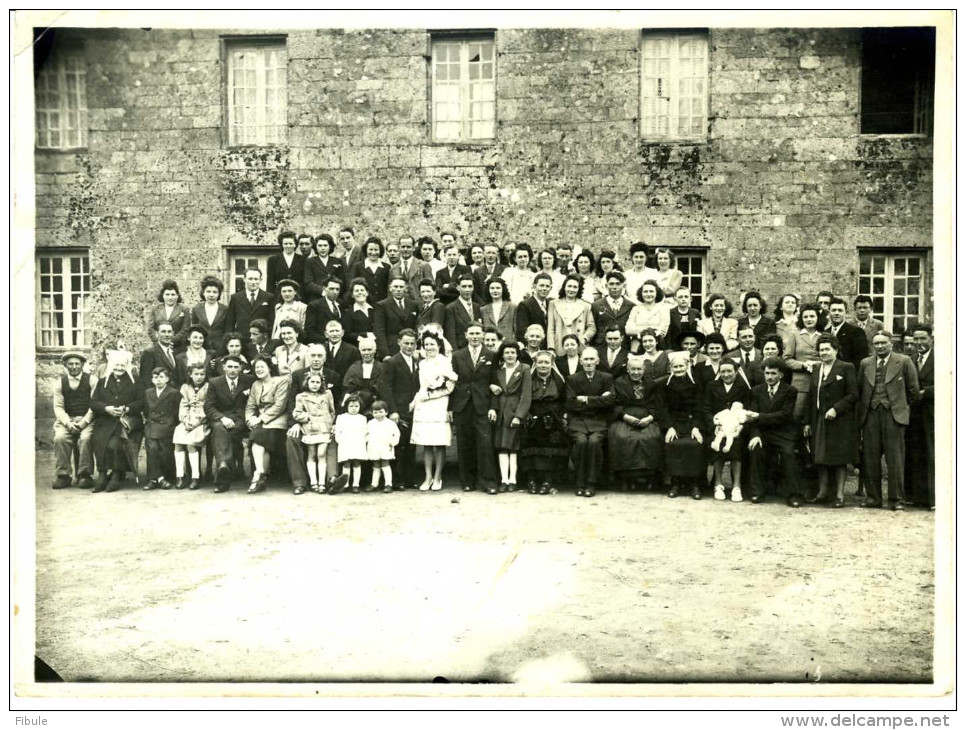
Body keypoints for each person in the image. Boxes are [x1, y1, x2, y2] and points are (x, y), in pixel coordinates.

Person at [856, 331, 919, 510]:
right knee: (870, 458)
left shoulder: (904, 361)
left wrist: (900, 409)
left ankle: (896, 500)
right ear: (873, 346)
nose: (880, 346)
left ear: (891, 344)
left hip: (893, 415)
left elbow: (913, 391)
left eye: (884, 343)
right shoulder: (865, 363)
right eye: (876, 343)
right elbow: (860, 389)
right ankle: (873, 498)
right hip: (870, 415)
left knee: (895, 459)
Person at [804, 334, 859, 508]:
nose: (824, 352)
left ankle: (839, 496)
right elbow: (811, 397)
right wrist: (806, 422)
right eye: (821, 350)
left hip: (839, 420)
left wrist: (836, 408)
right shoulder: (816, 369)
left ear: (836, 350)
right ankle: (822, 492)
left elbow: (853, 394)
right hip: (819, 418)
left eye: (827, 349)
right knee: (820, 456)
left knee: (839, 458)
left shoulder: (846, 367)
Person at [285, 344, 344, 495]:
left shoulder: (334, 376)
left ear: (324, 359)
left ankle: (332, 479)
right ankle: (300, 482)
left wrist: (336, 423)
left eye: (319, 356)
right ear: (307, 357)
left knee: (332, 437)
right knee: (292, 438)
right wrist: (296, 423)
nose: (316, 359)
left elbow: (337, 403)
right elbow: (292, 401)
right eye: (313, 356)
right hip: (304, 423)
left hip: (325, 423)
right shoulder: (298, 375)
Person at [745, 357, 803, 506]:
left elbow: (784, 415)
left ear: (781, 375)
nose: (769, 377)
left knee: (788, 454)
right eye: (767, 373)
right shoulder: (756, 391)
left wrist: (759, 416)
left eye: (773, 373)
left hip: (784, 432)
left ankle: (793, 494)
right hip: (763, 432)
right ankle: (757, 492)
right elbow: (752, 417)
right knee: (755, 448)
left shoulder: (790, 391)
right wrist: (756, 435)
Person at [449, 322, 499, 493]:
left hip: (483, 405)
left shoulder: (491, 355)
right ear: (466, 335)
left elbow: (495, 383)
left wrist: (493, 407)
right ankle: (467, 481)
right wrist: (450, 408)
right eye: (472, 333)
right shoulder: (457, 356)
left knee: (485, 443)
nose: (475, 336)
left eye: (478, 333)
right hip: (462, 405)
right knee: (464, 443)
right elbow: (453, 383)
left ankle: (488, 482)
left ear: (483, 335)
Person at [609, 354, 667, 492]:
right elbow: (614, 403)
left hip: (646, 416)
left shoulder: (651, 383)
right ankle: (625, 478)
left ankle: (650, 478)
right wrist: (624, 416)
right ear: (628, 369)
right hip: (624, 416)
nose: (636, 372)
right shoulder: (619, 382)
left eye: (639, 369)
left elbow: (657, 404)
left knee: (651, 437)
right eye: (633, 369)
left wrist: (650, 418)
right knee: (621, 437)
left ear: (644, 369)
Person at [90, 349, 144, 493]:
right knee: (99, 440)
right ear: (111, 366)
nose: (119, 368)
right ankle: (102, 474)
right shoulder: (103, 382)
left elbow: (142, 402)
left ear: (126, 366)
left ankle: (115, 474)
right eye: (116, 365)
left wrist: (127, 408)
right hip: (106, 421)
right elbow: (94, 403)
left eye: (122, 366)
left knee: (115, 444)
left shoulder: (135, 382)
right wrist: (106, 408)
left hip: (127, 421)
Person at [565, 347, 615, 498]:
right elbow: (571, 403)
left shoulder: (606, 378)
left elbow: (611, 401)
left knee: (594, 442)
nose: (588, 362)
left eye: (591, 359)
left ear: (597, 361)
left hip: (599, 421)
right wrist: (599, 399)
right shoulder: (573, 379)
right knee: (580, 442)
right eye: (585, 359)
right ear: (580, 361)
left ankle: (591, 483)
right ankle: (580, 483)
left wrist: (586, 399)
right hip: (578, 421)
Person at [411, 331, 457, 491]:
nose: (429, 347)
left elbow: (450, 387)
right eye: (426, 344)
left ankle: (438, 477)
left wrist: (430, 395)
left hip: (438, 404)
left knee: (439, 443)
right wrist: (416, 400)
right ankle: (428, 477)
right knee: (427, 444)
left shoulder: (445, 362)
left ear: (439, 346)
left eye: (432, 344)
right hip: (423, 406)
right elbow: (421, 386)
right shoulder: (421, 363)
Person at [520, 350, 569, 494]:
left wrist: (561, 417)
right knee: (530, 448)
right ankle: (531, 480)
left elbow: (563, 401)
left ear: (551, 364)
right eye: (540, 362)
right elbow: (523, 398)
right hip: (532, 416)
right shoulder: (529, 379)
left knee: (550, 449)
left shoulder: (559, 381)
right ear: (535, 363)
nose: (543, 365)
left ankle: (548, 480)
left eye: (546, 362)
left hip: (552, 418)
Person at [661, 351, 707, 500]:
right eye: (676, 367)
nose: (679, 369)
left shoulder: (696, 384)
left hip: (691, 422)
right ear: (671, 368)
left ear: (687, 366)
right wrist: (669, 427)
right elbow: (663, 408)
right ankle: (675, 483)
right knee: (673, 443)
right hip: (674, 423)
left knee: (695, 444)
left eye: (681, 366)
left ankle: (694, 484)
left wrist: (696, 427)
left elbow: (700, 407)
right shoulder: (665, 385)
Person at [204, 355, 254, 492]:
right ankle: (224, 466)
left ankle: (223, 470)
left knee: (221, 432)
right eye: (230, 366)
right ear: (224, 367)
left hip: (241, 419)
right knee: (219, 427)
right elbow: (209, 406)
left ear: (241, 368)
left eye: (236, 367)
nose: (232, 370)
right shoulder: (214, 382)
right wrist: (222, 418)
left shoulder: (248, 380)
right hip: (222, 418)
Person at [487, 341, 532, 492]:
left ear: (517, 354)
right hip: (501, 413)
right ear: (502, 355)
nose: (510, 355)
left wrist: (519, 416)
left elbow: (526, 395)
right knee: (501, 447)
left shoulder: (524, 369)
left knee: (513, 448)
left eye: (513, 352)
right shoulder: (499, 370)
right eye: (507, 353)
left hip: (514, 413)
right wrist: (493, 408)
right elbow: (495, 392)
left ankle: (513, 479)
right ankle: (503, 480)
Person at [704, 357, 751, 502]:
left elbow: (748, 411)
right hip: (717, 428)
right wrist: (715, 426)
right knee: (717, 444)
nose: (726, 374)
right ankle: (718, 484)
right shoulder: (712, 386)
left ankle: (736, 486)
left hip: (737, 429)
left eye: (729, 371)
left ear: (736, 371)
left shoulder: (744, 388)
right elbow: (706, 409)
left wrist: (740, 428)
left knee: (736, 444)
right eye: (722, 371)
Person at [245, 355, 291, 493]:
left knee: (260, 435)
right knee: (260, 437)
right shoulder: (255, 384)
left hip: (278, 418)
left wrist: (260, 419)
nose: (259, 369)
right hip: (260, 419)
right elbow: (250, 406)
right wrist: (249, 419)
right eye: (257, 367)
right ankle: (260, 475)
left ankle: (258, 474)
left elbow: (279, 405)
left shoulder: (281, 381)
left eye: (262, 366)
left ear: (270, 368)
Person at [382, 329, 420, 490]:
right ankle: (398, 480)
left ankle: (410, 479)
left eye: (412, 344)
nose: (409, 346)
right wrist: (393, 411)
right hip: (398, 409)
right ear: (399, 343)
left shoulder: (418, 361)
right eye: (406, 343)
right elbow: (385, 388)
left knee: (411, 445)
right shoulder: (391, 362)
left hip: (414, 409)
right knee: (399, 445)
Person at [51, 351, 95, 489]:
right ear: (65, 365)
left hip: (87, 419)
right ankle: (63, 475)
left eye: (77, 363)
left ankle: (85, 475)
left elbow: (94, 405)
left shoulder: (92, 380)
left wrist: (83, 422)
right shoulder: (59, 383)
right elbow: (58, 407)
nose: (74, 367)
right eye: (70, 364)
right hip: (67, 420)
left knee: (86, 438)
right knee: (60, 438)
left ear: (82, 365)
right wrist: (68, 423)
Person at [292, 370, 335, 495]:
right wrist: (307, 417)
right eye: (312, 382)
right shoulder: (301, 397)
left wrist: (330, 423)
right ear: (307, 383)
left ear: (321, 383)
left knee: (321, 453)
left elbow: (332, 411)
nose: (315, 384)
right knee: (312, 454)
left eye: (318, 382)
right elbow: (297, 413)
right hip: (310, 428)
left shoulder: (327, 394)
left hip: (324, 428)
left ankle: (322, 483)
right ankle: (313, 482)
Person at [784, 302, 827, 420]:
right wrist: (803, 365)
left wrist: (816, 364)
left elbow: (832, 359)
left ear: (818, 318)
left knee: (819, 418)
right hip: (800, 384)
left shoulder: (825, 335)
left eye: (812, 316)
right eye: (805, 317)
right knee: (798, 416)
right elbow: (787, 359)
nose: (809, 319)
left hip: (821, 382)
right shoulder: (795, 335)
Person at [140, 366, 181, 490]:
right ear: (152, 380)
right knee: (152, 450)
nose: (158, 380)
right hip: (151, 425)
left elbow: (176, 412)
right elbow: (147, 410)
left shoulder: (173, 392)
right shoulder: (148, 392)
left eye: (161, 377)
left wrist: (171, 424)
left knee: (165, 452)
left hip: (167, 426)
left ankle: (164, 477)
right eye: (155, 377)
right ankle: (156, 479)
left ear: (167, 379)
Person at [172, 362, 210, 490]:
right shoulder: (185, 387)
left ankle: (195, 476)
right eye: (196, 374)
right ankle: (180, 476)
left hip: (202, 422)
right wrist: (185, 420)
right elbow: (183, 406)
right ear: (190, 374)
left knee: (190, 443)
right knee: (178, 441)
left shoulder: (208, 387)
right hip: (187, 421)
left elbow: (209, 408)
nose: (199, 377)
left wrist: (196, 422)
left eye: (202, 374)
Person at [909, 323, 935, 509]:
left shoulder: (942, 358)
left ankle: (934, 498)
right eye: (916, 339)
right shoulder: (910, 359)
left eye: (923, 338)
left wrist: (926, 392)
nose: (919, 342)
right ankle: (917, 496)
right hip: (913, 414)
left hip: (933, 412)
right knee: (915, 452)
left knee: (932, 454)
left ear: (931, 339)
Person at [374, 275, 420, 361]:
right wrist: (385, 354)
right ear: (390, 288)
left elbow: (416, 327)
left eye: (401, 287)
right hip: (391, 350)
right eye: (395, 287)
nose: (398, 289)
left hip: (410, 349)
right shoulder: (382, 305)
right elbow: (379, 331)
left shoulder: (413, 305)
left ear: (406, 288)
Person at [547, 275, 595, 353]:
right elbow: (550, 328)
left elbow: (592, 327)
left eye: (575, 287)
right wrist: (551, 347)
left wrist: (584, 338)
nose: (571, 289)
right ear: (564, 287)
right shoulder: (553, 304)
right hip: (559, 344)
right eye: (569, 286)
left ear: (579, 289)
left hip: (579, 344)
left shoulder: (586, 305)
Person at [331, 394, 369, 493]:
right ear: (347, 407)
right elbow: (338, 431)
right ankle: (346, 484)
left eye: (356, 406)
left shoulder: (362, 418)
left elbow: (365, 432)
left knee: (356, 463)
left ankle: (355, 484)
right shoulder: (341, 417)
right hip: (345, 443)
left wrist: (362, 442)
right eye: (351, 406)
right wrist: (341, 442)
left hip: (358, 443)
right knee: (346, 464)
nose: (353, 409)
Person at [225, 268, 275, 340]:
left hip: (261, 338)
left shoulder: (269, 297)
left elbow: (271, 320)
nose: (253, 282)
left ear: (260, 280)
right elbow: (230, 321)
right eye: (250, 279)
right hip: (241, 339)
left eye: (256, 279)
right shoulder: (236, 297)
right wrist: (230, 339)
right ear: (244, 279)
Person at [342, 336, 384, 416]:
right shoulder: (353, 368)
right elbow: (347, 387)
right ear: (360, 351)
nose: (367, 353)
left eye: (369, 349)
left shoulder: (382, 367)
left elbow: (384, 388)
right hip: (357, 406)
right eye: (364, 350)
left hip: (377, 406)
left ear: (375, 350)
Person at [366, 399, 401, 493]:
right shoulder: (370, 423)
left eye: (381, 412)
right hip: (374, 447)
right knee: (376, 465)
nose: (378, 414)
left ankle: (388, 484)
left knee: (385, 464)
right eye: (375, 412)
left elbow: (396, 434)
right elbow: (366, 434)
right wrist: (368, 441)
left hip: (386, 447)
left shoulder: (390, 423)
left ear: (386, 412)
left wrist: (392, 443)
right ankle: (374, 484)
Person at [825, 297, 869, 373]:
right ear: (829, 312)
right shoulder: (825, 332)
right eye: (833, 310)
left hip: (847, 376)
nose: (836, 313)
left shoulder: (856, 332)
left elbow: (861, 359)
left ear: (846, 312)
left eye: (840, 310)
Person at [591, 271, 634, 346]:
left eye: (618, 284)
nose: (614, 287)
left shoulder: (631, 306)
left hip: (624, 347)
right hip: (601, 347)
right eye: (611, 284)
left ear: (623, 286)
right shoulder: (596, 306)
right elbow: (593, 328)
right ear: (606, 286)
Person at [189, 276, 229, 356]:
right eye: (208, 291)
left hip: (221, 348)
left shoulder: (225, 309)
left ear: (219, 294)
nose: (211, 295)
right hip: (202, 348)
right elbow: (195, 329)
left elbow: (227, 330)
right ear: (203, 293)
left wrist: (224, 346)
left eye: (215, 292)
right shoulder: (197, 309)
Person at [145, 279, 190, 350]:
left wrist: (170, 342)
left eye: (173, 294)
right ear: (163, 295)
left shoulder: (184, 309)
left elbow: (185, 329)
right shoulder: (155, 309)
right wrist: (159, 342)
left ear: (177, 296)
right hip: (158, 346)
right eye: (167, 294)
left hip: (177, 346)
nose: (170, 297)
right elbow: (151, 329)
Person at [626, 280, 670, 350]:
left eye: (651, 291)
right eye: (645, 291)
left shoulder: (664, 309)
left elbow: (662, 331)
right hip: (636, 346)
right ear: (641, 293)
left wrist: (638, 329)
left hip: (656, 347)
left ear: (657, 293)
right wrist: (653, 328)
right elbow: (628, 330)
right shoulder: (635, 309)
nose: (648, 294)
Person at [443, 274, 482, 351]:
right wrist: (456, 354)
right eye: (464, 286)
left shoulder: (477, 307)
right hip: (461, 349)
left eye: (470, 286)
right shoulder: (451, 308)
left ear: (473, 287)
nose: (467, 289)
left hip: (477, 348)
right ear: (458, 288)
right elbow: (451, 335)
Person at [303, 234, 347, 301]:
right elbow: (308, 282)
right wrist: (323, 291)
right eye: (320, 246)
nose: (322, 248)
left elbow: (341, 280)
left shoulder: (337, 261)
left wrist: (333, 292)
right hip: (316, 298)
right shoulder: (310, 261)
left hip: (334, 297)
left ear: (330, 247)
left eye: (325, 245)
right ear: (316, 247)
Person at [391, 234, 434, 301]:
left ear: (413, 248)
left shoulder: (423, 266)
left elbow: (431, 289)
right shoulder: (393, 269)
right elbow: (390, 292)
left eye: (408, 247)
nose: (405, 249)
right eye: (403, 247)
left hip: (419, 306)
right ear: (399, 248)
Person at [348, 236, 390, 303]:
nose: (373, 253)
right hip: (364, 304)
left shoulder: (386, 267)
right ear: (366, 250)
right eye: (370, 249)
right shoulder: (358, 266)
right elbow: (352, 286)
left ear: (380, 251)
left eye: (376, 250)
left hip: (382, 305)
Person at [139, 322, 180, 390]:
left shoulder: (175, 353)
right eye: (163, 332)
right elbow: (145, 381)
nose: (167, 335)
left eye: (169, 332)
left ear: (173, 334)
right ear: (157, 334)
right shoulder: (149, 353)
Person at [304, 276, 344, 344]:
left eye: (337, 289)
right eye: (332, 289)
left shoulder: (342, 304)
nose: (335, 292)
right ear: (324, 288)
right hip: (322, 343)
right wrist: (327, 340)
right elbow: (309, 331)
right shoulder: (314, 306)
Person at [515, 272, 552, 344]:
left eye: (547, 286)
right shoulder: (525, 305)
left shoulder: (551, 303)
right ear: (534, 286)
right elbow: (521, 331)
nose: (544, 289)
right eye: (541, 285)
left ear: (551, 288)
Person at [266, 231, 306, 295]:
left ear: (295, 244)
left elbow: (305, 281)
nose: (288, 246)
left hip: (299, 295)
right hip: (279, 295)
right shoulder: (273, 260)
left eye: (290, 243)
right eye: (285, 244)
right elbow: (270, 282)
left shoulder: (303, 260)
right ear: (282, 244)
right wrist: (270, 299)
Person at [481, 277, 518, 344]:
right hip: (490, 345)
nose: (495, 291)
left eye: (498, 288)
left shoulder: (513, 307)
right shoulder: (483, 309)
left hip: (508, 345)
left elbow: (516, 329)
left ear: (503, 289)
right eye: (492, 288)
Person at [665, 285, 702, 350]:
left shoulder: (695, 313)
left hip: (692, 348)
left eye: (686, 296)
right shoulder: (670, 313)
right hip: (675, 349)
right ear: (675, 298)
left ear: (690, 298)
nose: (683, 299)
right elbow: (668, 335)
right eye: (680, 297)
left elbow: (699, 332)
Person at [342, 278, 376, 348]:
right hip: (357, 347)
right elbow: (347, 334)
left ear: (367, 293)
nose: (360, 292)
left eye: (362, 290)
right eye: (356, 291)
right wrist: (365, 336)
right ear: (352, 295)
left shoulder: (376, 309)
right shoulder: (348, 313)